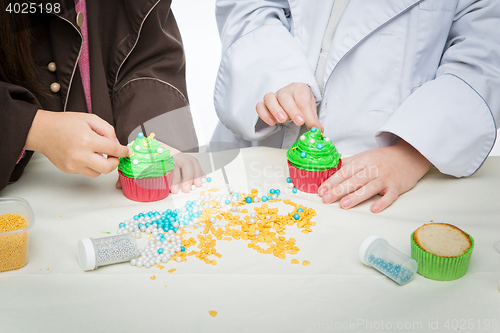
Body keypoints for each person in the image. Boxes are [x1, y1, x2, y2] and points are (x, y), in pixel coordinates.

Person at [211, 0, 500, 212]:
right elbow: (249, 8)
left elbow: (482, 62)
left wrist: (412, 151)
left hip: (378, 173)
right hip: (258, 156)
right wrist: (278, 75)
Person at [1, 0, 203, 193]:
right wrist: (32, 128)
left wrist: (153, 136)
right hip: (23, 186)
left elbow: (147, 50)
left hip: (107, 186)